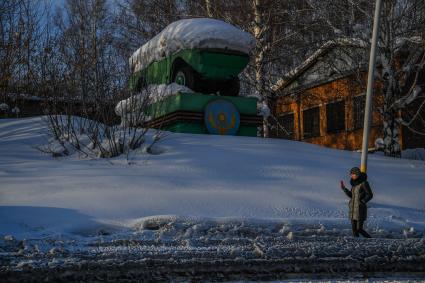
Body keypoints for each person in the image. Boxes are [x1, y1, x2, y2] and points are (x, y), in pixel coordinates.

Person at [340, 167, 373, 238]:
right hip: (353, 209)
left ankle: (371, 241)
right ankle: (356, 244)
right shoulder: (354, 185)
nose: (351, 176)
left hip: (360, 209)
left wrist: (362, 202)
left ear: (357, 174)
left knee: (359, 229)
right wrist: (344, 189)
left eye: (352, 174)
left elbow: (370, 195)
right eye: (351, 174)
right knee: (354, 230)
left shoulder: (364, 183)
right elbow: (352, 196)